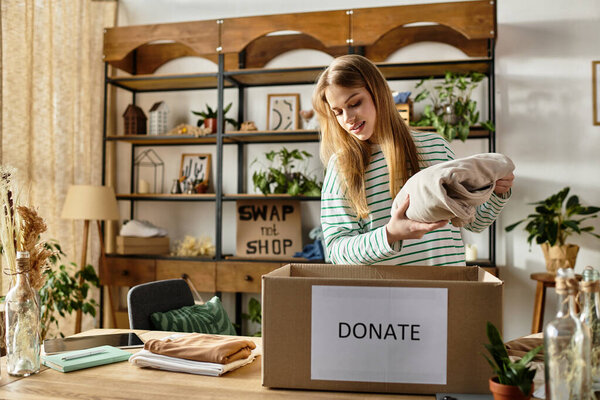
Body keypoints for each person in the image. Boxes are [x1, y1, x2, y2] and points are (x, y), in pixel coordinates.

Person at [312, 55, 514, 266]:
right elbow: (336, 251)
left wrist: (498, 193)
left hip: (449, 290)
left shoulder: (435, 147)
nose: (347, 118)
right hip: (387, 295)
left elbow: (473, 221)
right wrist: (390, 235)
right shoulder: (341, 168)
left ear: (378, 93)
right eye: (338, 112)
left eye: (354, 103)